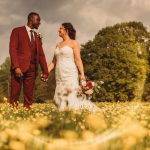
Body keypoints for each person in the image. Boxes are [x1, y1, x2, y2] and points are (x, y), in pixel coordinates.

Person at [48, 23, 99, 111]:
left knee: (71, 95)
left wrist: (82, 74)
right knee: (59, 96)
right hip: (59, 75)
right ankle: (63, 113)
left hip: (70, 73)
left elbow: (78, 60)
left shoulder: (73, 43)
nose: (58, 30)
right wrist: (45, 72)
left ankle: (73, 112)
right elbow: (53, 62)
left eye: (61, 28)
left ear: (66, 31)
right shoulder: (58, 45)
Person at [9, 12, 48, 109]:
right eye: (38, 20)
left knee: (29, 94)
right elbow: (12, 50)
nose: (39, 23)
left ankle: (27, 111)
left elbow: (41, 55)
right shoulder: (17, 31)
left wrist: (45, 71)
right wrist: (16, 67)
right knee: (15, 92)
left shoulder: (37, 36)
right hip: (19, 68)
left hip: (32, 69)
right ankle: (13, 112)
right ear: (31, 19)